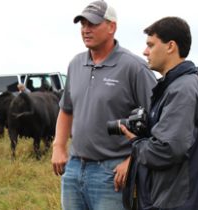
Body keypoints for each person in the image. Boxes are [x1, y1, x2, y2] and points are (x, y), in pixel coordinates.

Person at [51, 1, 157, 209]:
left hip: (112, 172)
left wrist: (132, 160)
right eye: (82, 25)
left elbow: (157, 119)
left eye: (93, 24)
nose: (86, 30)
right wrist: (59, 146)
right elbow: (66, 110)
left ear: (112, 27)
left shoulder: (134, 67)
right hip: (73, 168)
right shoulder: (75, 64)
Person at [120, 17, 198, 210]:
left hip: (174, 202)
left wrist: (136, 142)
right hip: (166, 198)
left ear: (170, 46)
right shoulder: (174, 87)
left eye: (151, 45)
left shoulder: (183, 89)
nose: (145, 52)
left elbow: (167, 150)